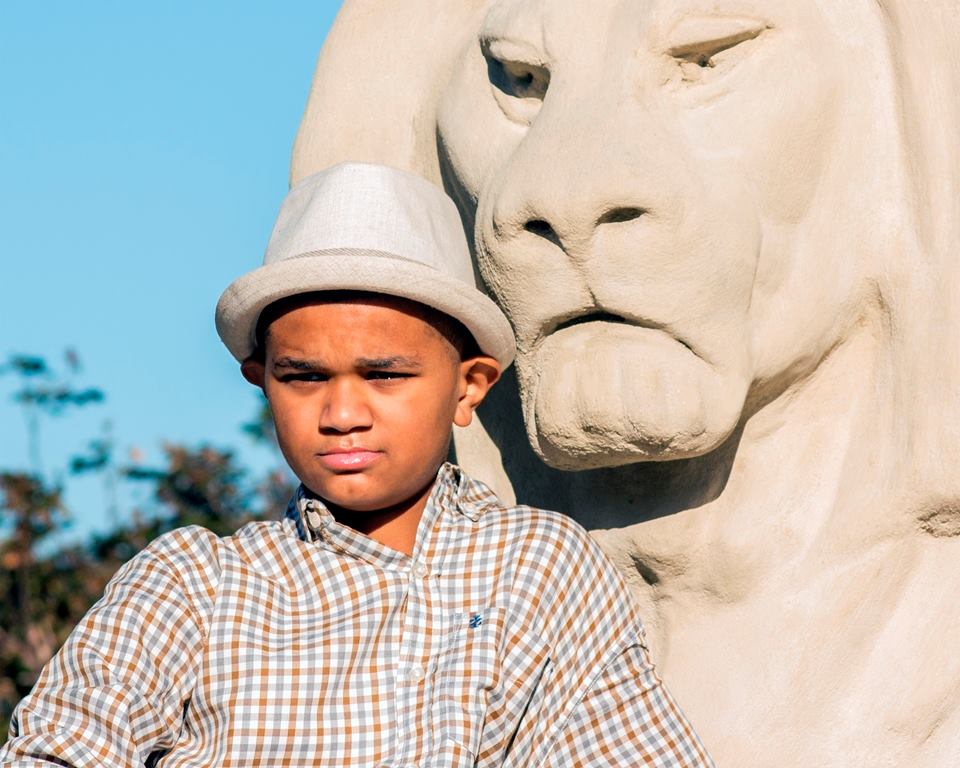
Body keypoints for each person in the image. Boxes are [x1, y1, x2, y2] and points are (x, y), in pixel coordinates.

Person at [0, 162, 713, 767]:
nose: (342, 412)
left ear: (468, 386)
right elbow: (57, 748)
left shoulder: (537, 569)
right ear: (261, 382)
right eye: (304, 377)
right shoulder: (192, 584)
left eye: (386, 375)